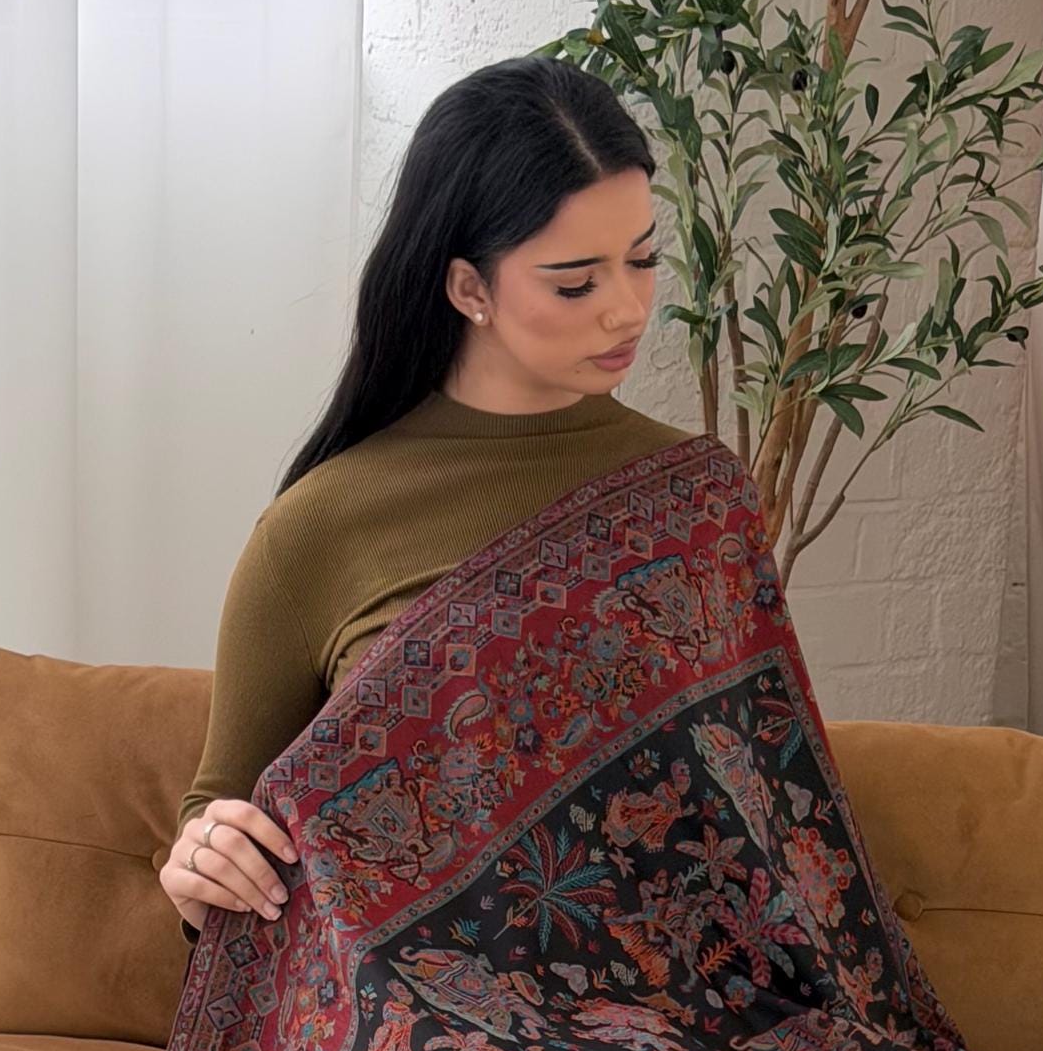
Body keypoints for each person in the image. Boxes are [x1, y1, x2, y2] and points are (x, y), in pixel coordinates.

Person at [156, 53, 697, 951]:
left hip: (664, 1000)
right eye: (577, 282)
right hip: (410, 1026)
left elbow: (758, 816)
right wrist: (206, 857)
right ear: (468, 288)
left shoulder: (691, 496)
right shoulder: (321, 527)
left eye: (643, 261)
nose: (629, 310)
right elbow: (225, 813)